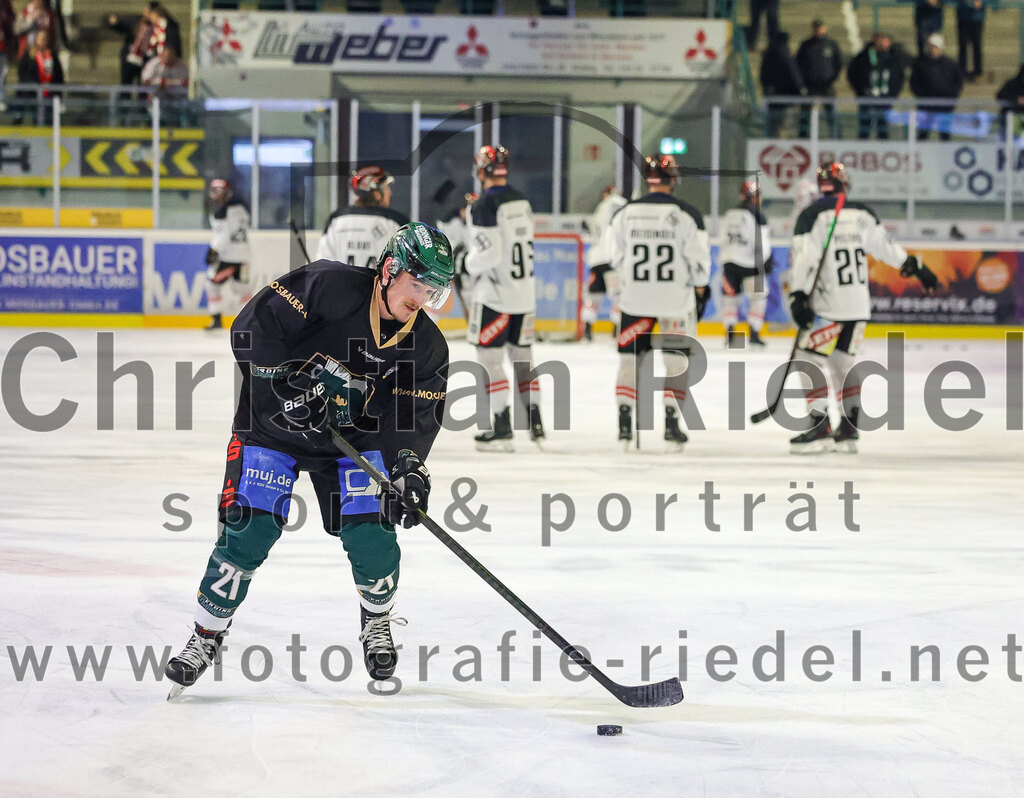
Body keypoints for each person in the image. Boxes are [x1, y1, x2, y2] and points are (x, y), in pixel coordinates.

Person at [164, 223, 456, 697]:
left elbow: (412, 418)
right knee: (250, 529)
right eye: (417, 285)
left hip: (352, 442)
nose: (422, 300)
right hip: (274, 430)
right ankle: (204, 636)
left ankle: (377, 620)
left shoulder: (425, 346)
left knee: (373, 534)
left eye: (433, 291)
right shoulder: (328, 285)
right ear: (389, 269)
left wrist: (407, 468)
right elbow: (252, 328)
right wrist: (283, 385)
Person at [787, 162, 938, 454]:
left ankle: (819, 426)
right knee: (843, 364)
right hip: (858, 305)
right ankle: (849, 428)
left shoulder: (811, 215)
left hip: (828, 306)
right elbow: (887, 249)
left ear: (821, 187)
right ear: (846, 184)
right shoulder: (863, 214)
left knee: (806, 359)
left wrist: (797, 295)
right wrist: (918, 268)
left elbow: (806, 258)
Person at [607, 154, 710, 451]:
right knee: (676, 364)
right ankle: (670, 424)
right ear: (673, 179)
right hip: (674, 302)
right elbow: (700, 265)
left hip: (634, 302)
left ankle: (625, 424)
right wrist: (701, 291)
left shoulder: (624, 214)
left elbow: (615, 258)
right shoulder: (688, 214)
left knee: (628, 362)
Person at [463, 145, 546, 451]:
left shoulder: (485, 204)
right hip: (524, 294)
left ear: (481, 170)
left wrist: (464, 263)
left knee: (490, 361)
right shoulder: (521, 200)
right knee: (523, 360)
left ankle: (501, 425)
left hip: (495, 296)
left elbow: (490, 253)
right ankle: (535, 421)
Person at [316, 166, 410, 268]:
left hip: (340, 283)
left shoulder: (336, 220)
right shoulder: (396, 223)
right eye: (387, 187)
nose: (390, 192)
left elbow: (322, 266)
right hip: (379, 284)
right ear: (376, 193)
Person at [720, 180, 773, 348]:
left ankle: (730, 331)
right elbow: (762, 243)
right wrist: (765, 261)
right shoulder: (758, 215)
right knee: (758, 297)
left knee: (730, 298)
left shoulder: (729, 213)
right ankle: (754, 332)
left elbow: (722, 238)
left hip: (729, 261)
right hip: (751, 264)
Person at [203, 178, 251, 331]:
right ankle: (247, 324)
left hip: (229, 257)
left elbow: (223, 235)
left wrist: (213, 250)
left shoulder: (222, 211)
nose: (217, 195)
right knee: (243, 291)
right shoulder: (242, 209)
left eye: (219, 192)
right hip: (244, 255)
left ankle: (216, 320)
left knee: (212, 284)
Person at [583, 184, 627, 342]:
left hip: (595, 259)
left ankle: (587, 329)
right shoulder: (615, 202)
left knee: (594, 296)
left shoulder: (599, 209)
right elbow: (622, 210)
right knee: (618, 296)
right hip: (611, 258)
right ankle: (617, 329)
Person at [847, 31, 905, 140]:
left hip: (884, 100)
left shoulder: (893, 57)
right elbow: (853, 74)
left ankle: (883, 152)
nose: (880, 43)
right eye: (877, 40)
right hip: (867, 99)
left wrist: (893, 94)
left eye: (882, 40)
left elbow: (899, 77)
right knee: (864, 129)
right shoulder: (863, 56)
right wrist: (860, 91)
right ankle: (862, 152)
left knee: (883, 129)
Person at [910, 33, 963, 141]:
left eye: (935, 46)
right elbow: (914, 81)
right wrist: (921, 95)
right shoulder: (921, 64)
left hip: (945, 105)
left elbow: (958, 82)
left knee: (944, 134)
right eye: (931, 46)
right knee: (923, 134)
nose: (933, 49)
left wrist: (950, 96)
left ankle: (945, 154)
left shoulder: (950, 64)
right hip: (926, 105)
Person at [796, 20, 843, 139]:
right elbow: (799, 63)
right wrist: (806, 79)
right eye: (816, 28)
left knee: (831, 111)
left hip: (827, 84)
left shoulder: (831, 44)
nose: (818, 30)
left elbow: (838, 63)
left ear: (825, 28)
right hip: (810, 84)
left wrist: (832, 78)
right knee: (805, 111)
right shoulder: (806, 45)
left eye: (820, 27)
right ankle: (803, 135)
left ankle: (836, 135)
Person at [760, 31, 805, 137]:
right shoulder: (786, 54)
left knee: (772, 120)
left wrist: (767, 87)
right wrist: (799, 89)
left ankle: (772, 136)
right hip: (784, 95)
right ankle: (777, 138)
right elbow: (793, 73)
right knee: (781, 120)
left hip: (772, 94)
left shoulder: (769, 55)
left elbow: (763, 74)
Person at [16, 28, 62, 124]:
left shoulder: (51, 55)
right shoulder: (30, 54)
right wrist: (33, 85)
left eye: (45, 39)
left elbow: (58, 73)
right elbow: (22, 72)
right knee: (34, 116)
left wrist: (56, 88)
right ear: (36, 39)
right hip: (33, 92)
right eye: (41, 39)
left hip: (49, 92)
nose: (43, 41)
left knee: (49, 119)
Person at [956, 0, 985, 81]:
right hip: (963, 17)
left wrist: (981, 2)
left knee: (977, 46)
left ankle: (978, 73)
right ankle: (962, 73)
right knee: (962, 46)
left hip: (977, 18)